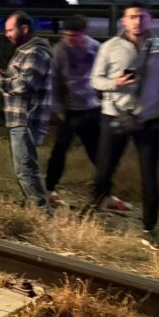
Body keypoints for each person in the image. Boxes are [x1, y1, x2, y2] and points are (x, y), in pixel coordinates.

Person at [90, 1, 159, 246]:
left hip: (148, 120)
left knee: (150, 176)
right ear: (124, 20)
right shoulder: (110, 47)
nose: (137, 21)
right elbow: (95, 80)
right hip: (115, 116)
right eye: (132, 17)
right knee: (104, 170)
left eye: (142, 17)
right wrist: (115, 83)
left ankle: (149, 229)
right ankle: (93, 211)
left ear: (150, 19)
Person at [46, 15, 130, 210]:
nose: (70, 39)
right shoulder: (59, 51)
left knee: (99, 154)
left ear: (83, 33)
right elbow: (52, 82)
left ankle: (105, 195)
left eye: (74, 36)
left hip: (92, 108)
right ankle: (49, 190)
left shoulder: (95, 48)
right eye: (66, 35)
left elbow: (107, 74)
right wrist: (58, 109)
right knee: (59, 151)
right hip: (69, 111)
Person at [0, 11, 53, 211]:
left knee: (25, 169)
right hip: (18, 118)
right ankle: (38, 207)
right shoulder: (25, 51)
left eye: (10, 29)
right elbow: (19, 77)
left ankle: (42, 212)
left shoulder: (35, 53)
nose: (7, 34)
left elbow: (24, 85)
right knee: (25, 168)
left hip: (27, 118)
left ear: (25, 29)